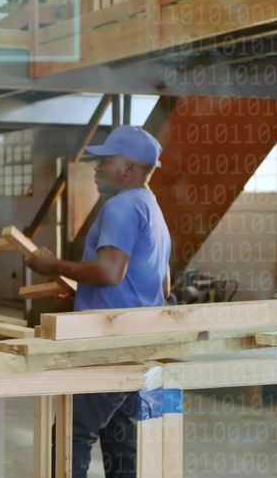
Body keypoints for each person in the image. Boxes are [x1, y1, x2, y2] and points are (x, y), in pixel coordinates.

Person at [26, 125, 171, 478]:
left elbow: (110, 271)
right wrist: (81, 290)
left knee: (72, 432)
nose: (96, 167)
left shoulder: (120, 207)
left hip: (110, 343)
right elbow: (160, 283)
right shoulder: (151, 207)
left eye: (105, 161)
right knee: (119, 437)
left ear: (128, 169)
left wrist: (51, 265)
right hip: (139, 341)